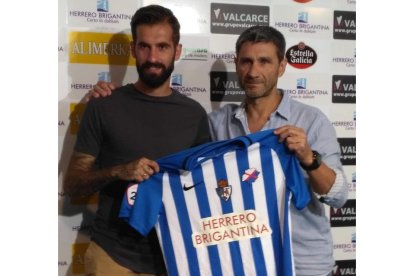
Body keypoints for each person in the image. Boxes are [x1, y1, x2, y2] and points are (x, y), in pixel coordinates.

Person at [90, 26, 348, 276]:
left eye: (264, 62)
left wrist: (308, 158)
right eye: (246, 61)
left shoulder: (311, 121)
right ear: (237, 64)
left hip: (303, 262)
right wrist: (116, 98)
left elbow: (338, 196)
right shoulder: (216, 124)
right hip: (241, 260)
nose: (253, 71)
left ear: (281, 66)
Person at [63, 5, 210, 276]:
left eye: (162, 47)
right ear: (133, 50)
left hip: (175, 257)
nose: (153, 57)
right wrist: (119, 171)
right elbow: (72, 185)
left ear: (177, 51)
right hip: (112, 257)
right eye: (145, 47)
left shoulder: (195, 115)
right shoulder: (103, 106)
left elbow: (205, 189)